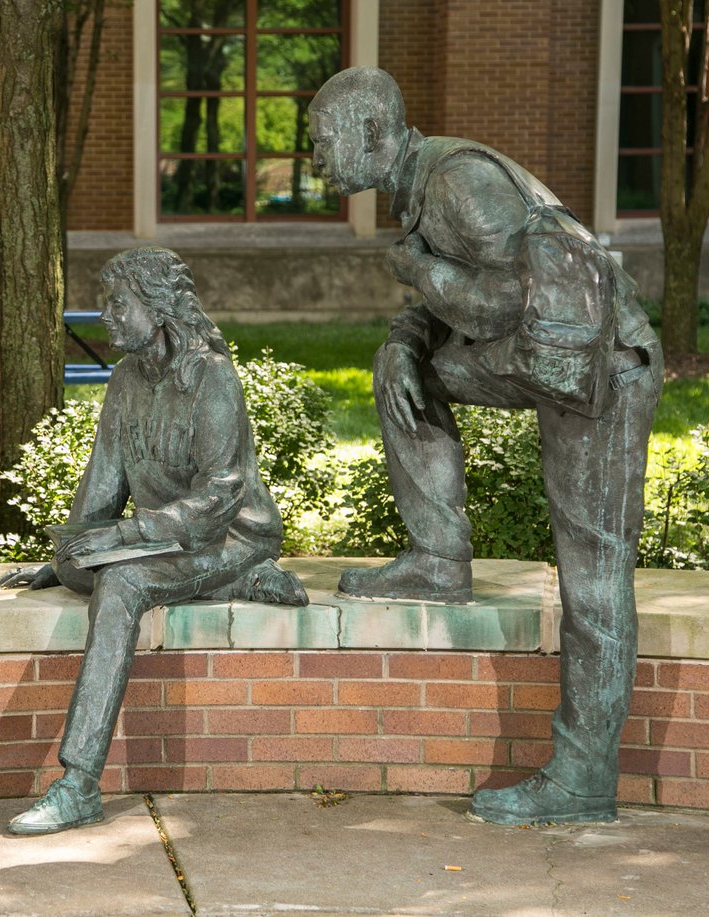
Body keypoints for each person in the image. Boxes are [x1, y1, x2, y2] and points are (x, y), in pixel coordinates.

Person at [308, 67, 662, 825]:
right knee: (401, 369)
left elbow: (509, 297)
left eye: (322, 143)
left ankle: (582, 776)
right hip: (546, 358)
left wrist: (423, 270)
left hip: (600, 369)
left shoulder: (457, 182)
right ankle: (439, 560)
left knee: (594, 576)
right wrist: (407, 337)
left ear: (373, 132)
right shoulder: (420, 186)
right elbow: (456, 305)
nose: (315, 163)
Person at [0, 246, 307, 835]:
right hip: (164, 542)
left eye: (118, 303)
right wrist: (67, 554)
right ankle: (239, 585)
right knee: (87, 566)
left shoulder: (211, 377)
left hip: (229, 535)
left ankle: (79, 782)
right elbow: (102, 486)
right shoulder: (124, 379)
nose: (106, 315)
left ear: (157, 307)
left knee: (121, 581)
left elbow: (221, 494)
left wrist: (125, 540)